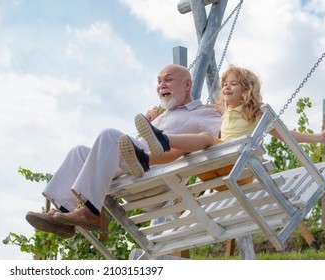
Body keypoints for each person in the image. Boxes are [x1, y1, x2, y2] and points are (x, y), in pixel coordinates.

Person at [25, 64, 222, 238]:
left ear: (187, 85)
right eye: (159, 81)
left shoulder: (203, 112)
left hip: (159, 176)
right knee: (79, 152)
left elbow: (224, 133)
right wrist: (152, 122)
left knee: (110, 136)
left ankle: (91, 211)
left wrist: (224, 109)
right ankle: (61, 212)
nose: (161, 84)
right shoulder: (164, 116)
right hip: (134, 170)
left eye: (168, 80)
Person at [118, 65, 325, 180]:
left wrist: (316, 137)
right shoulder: (223, 110)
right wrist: (157, 117)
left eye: (234, 84)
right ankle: (146, 159)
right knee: (188, 149)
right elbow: (200, 111)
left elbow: (287, 134)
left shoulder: (256, 112)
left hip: (239, 165)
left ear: (247, 89)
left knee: (205, 138)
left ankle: (162, 138)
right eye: (225, 84)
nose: (227, 88)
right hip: (215, 167)